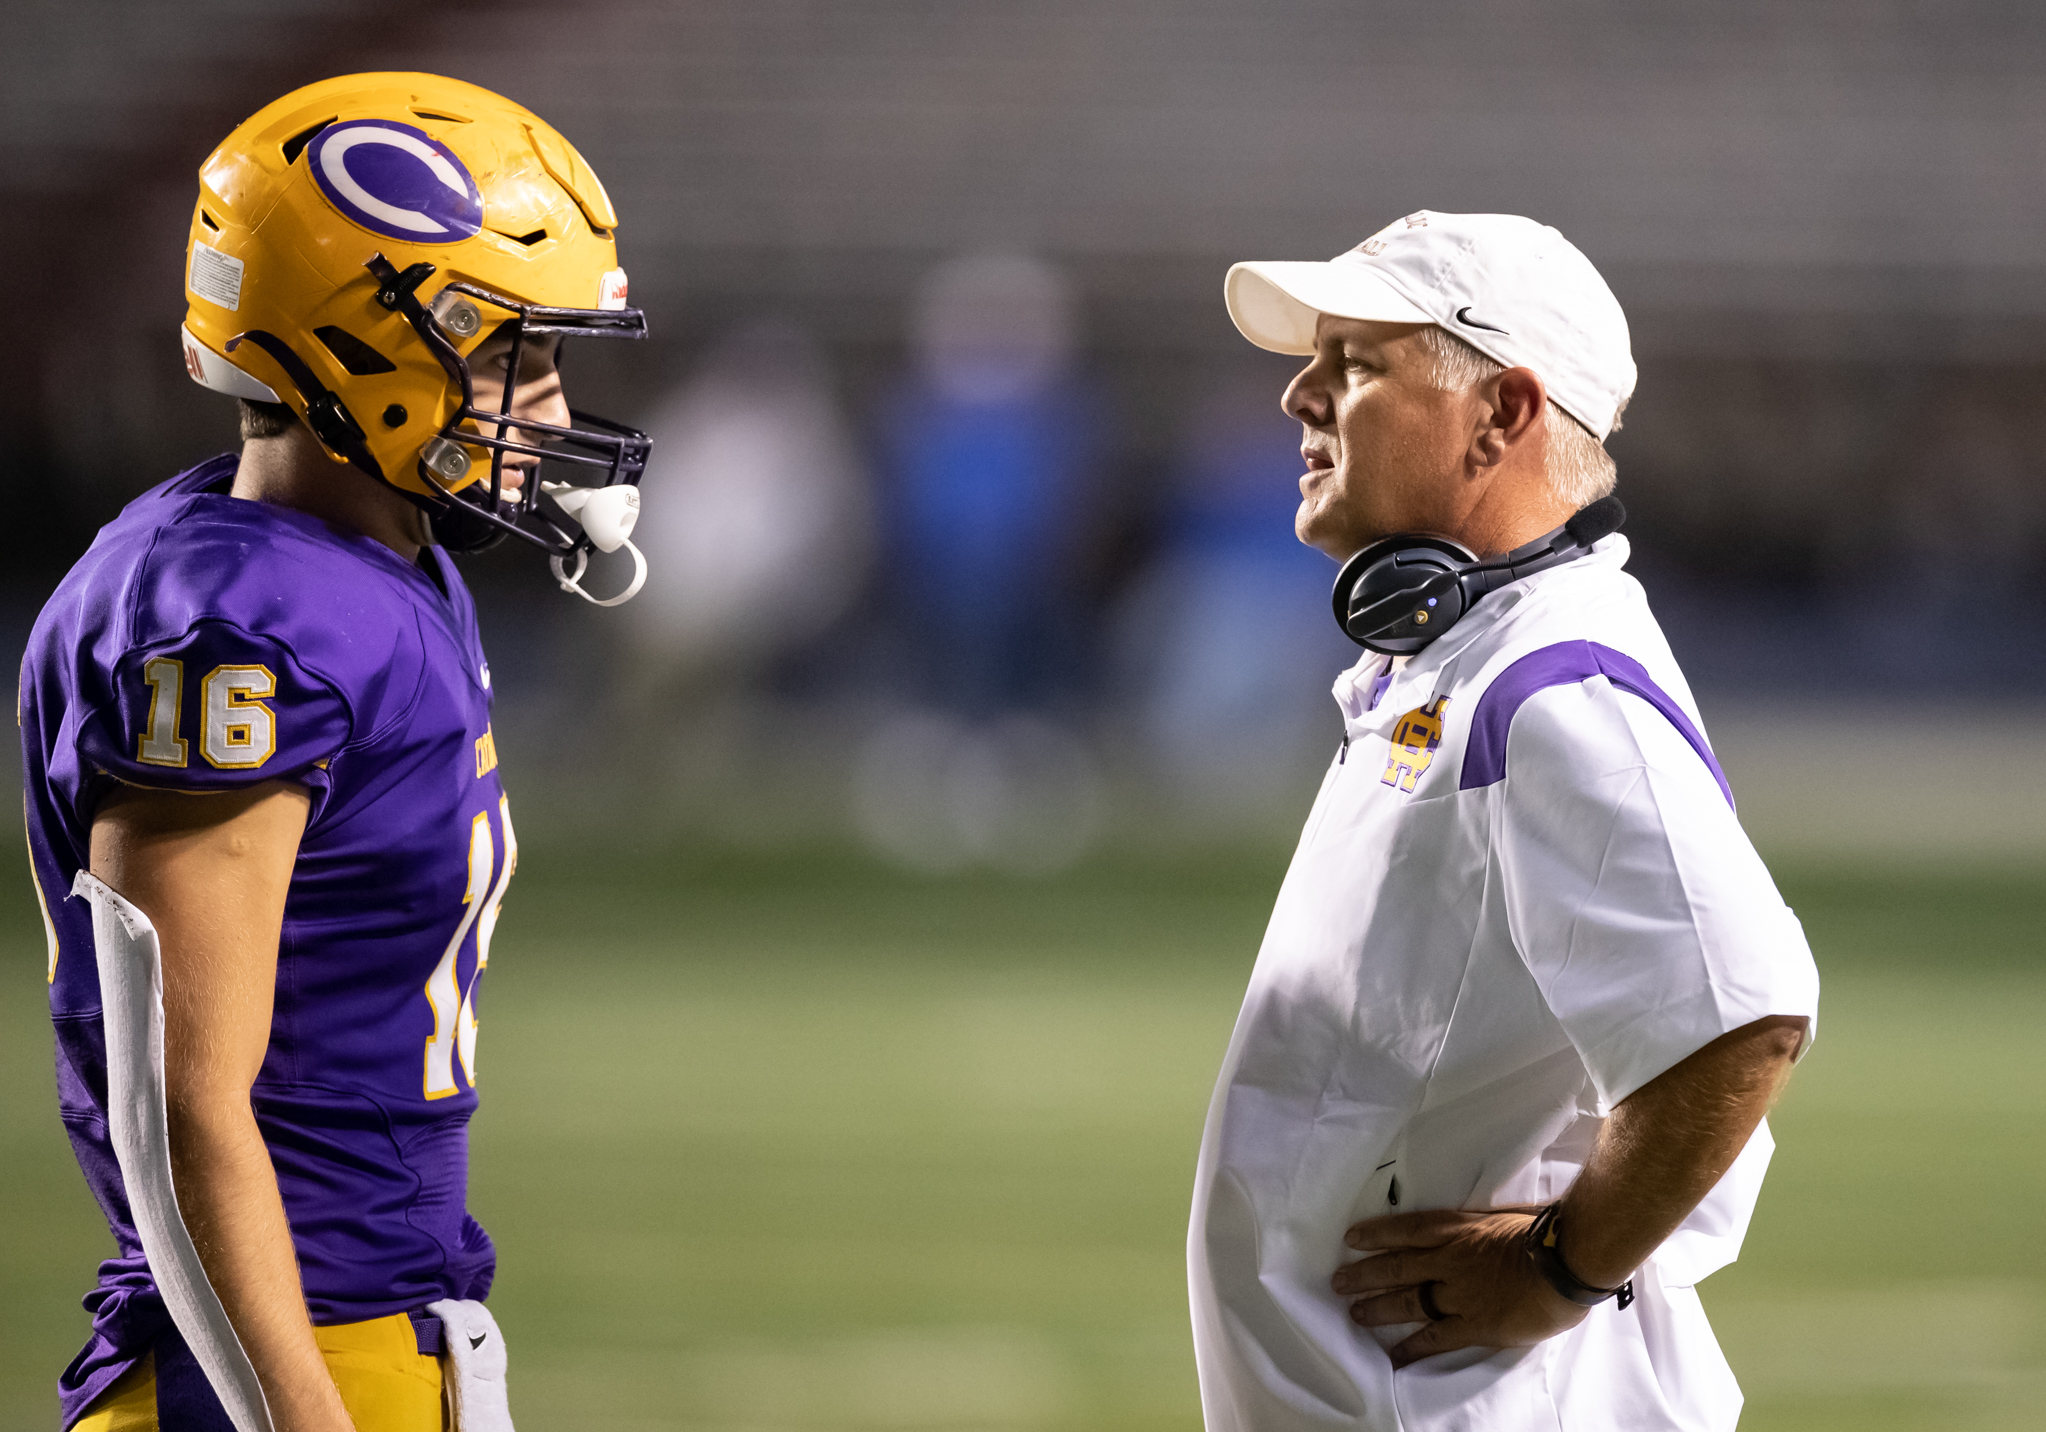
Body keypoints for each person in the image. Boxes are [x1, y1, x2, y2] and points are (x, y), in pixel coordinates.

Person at [24, 73, 651, 1431]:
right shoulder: (242, 624)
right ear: (351, 350)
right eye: (507, 356)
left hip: (366, 1329)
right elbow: (182, 1105)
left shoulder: (368, 563)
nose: (544, 409)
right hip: (275, 1358)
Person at [1186, 212, 1821, 1431]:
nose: (1299, 396)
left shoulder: (1556, 682)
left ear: (1504, 414)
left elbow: (1748, 1013)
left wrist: (1557, 1269)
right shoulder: (1465, 661)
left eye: (1358, 364)